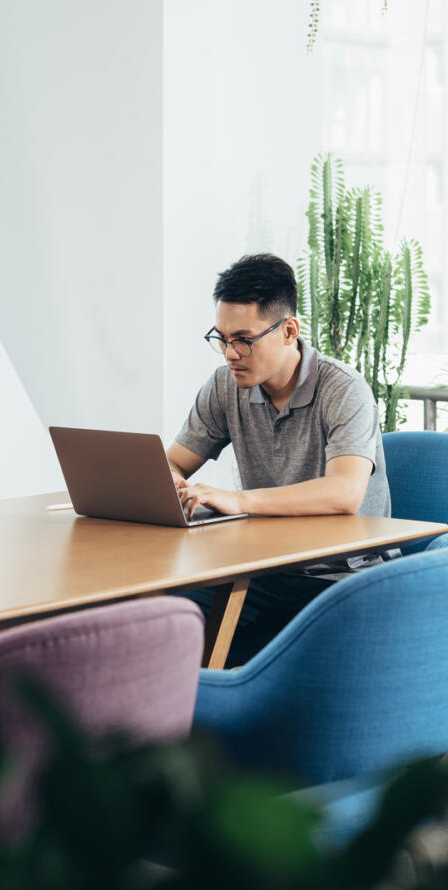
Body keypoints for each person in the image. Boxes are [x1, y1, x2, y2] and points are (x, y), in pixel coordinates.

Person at [169, 253, 390, 664]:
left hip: (341, 577)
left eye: (243, 340)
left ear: (289, 331)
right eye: (221, 338)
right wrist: (173, 485)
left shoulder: (343, 390)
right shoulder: (225, 386)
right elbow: (173, 464)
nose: (230, 354)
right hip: (264, 570)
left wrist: (239, 500)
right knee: (161, 614)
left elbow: (345, 493)